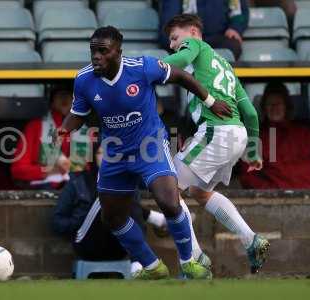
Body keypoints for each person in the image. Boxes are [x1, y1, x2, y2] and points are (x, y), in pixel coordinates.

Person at [58, 26, 232, 280]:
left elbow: (182, 76)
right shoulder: (84, 79)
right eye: (93, 51)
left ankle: (188, 261)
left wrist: (211, 102)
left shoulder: (143, 68)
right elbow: (78, 113)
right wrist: (64, 129)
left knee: (170, 203)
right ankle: (152, 266)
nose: (96, 56)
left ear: (118, 52)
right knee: (113, 218)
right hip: (115, 153)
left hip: (149, 147)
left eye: (102, 51)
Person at [163, 14, 269, 275]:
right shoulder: (225, 65)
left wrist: (144, 67)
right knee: (200, 193)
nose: (173, 45)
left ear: (193, 32)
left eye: (175, 38)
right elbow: (251, 113)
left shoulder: (196, 46)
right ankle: (250, 239)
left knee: (168, 190)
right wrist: (254, 150)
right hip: (238, 134)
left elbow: (179, 61)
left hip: (216, 132)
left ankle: (195, 259)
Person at [53, 145, 167, 274]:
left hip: (118, 247)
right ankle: (156, 218)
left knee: (122, 190)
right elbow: (58, 222)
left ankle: (136, 262)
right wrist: (81, 220)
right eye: (101, 153)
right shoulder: (78, 182)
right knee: (107, 196)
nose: (106, 157)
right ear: (94, 157)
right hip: (86, 244)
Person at [240, 82, 310, 189]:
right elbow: (247, 174)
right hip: (274, 201)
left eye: (278, 103)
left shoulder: (307, 134)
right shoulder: (257, 139)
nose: (274, 108)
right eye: (270, 104)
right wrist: (268, 191)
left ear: (286, 106)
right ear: (264, 108)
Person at [11, 84, 73, 190]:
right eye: (60, 95)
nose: (64, 99)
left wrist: (71, 168)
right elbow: (18, 169)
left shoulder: (84, 129)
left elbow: (90, 169)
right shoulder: (35, 127)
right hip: (44, 187)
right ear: (51, 102)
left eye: (68, 95)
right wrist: (48, 170)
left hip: (77, 188)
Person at [159, 0, 249, 60]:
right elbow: (169, 23)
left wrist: (235, 28)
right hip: (189, 39)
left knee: (232, 45)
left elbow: (240, 14)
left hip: (219, 37)